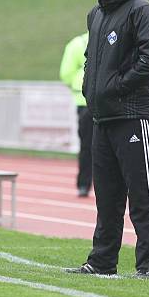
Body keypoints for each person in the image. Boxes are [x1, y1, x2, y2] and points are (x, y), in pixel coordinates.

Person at [66, 0, 149, 279]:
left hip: (133, 115)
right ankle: (102, 261)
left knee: (142, 193)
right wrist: (90, 89)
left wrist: (118, 86)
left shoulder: (141, 10)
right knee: (107, 197)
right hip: (102, 118)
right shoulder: (94, 14)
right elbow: (89, 59)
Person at [59, 32, 93, 198]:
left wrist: (78, 85)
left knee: (86, 146)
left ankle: (84, 185)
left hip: (83, 101)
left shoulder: (77, 44)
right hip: (109, 100)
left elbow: (66, 73)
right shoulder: (112, 36)